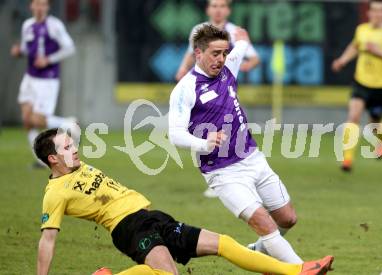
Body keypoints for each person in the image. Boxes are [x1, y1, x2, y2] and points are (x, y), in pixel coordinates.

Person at [34, 128, 334, 275]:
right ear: (52, 159)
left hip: (152, 216)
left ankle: (297, 270)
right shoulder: (55, 193)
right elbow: (48, 240)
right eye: (67, 147)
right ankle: (298, 271)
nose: (75, 149)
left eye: (72, 143)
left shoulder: (78, 166)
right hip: (129, 230)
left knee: (225, 244)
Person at [169, 24, 306, 265]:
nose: (221, 59)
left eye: (224, 53)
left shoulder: (227, 67)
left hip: (253, 158)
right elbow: (175, 135)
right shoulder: (185, 89)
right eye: (215, 53)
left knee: (288, 219)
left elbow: (239, 50)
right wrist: (204, 143)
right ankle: (301, 269)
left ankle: (260, 251)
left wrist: (243, 41)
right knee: (263, 222)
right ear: (198, 53)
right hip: (223, 172)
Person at [176, 0, 260, 199]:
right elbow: (191, 53)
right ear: (208, 9)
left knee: (231, 133)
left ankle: (234, 176)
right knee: (202, 133)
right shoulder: (199, 31)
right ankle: (215, 176)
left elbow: (253, 57)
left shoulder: (234, 32)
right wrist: (181, 69)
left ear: (228, 10)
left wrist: (244, 66)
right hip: (204, 92)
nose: (218, 10)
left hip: (226, 91)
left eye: (222, 6)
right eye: (214, 5)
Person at [332, 0, 382, 172]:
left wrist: (379, 51)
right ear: (369, 13)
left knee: (375, 123)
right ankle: (347, 160)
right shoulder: (362, 30)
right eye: (373, 11)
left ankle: (380, 143)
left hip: (380, 86)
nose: (376, 14)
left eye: (380, 11)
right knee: (354, 116)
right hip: (361, 82)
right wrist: (342, 60)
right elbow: (355, 46)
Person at [10, 0, 76, 168]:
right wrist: (19, 52)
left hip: (47, 79)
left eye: (43, 4)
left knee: (38, 120)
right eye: (37, 4)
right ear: (31, 6)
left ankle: (68, 124)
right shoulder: (27, 25)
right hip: (30, 77)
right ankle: (42, 161)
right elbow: (27, 48)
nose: (40, 7)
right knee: (26, 119)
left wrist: (48, 59)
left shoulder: (54, 25)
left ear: (47, 7)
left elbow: (70, 47)